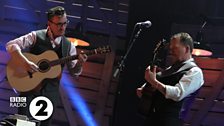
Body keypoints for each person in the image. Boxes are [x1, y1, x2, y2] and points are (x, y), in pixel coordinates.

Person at [5, 6, 87, 126]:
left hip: (50, 95)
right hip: (29, 90)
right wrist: (25, 63)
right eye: (59, 24)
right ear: (49, 23)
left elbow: (74, 73)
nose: (63, 27)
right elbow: (11, 45)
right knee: (23, 124)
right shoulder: (36, 36)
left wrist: (80, 63)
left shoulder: (69, 46)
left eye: (65, 23)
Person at [136, 32, 204, 126]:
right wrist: (146, 91)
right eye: (170, 49)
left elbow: (177, 93)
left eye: (175, 48)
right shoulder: (170, 69)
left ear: (187, 49)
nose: (171, 52)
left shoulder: (195, 72)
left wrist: (154, 82)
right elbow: (154, 88)